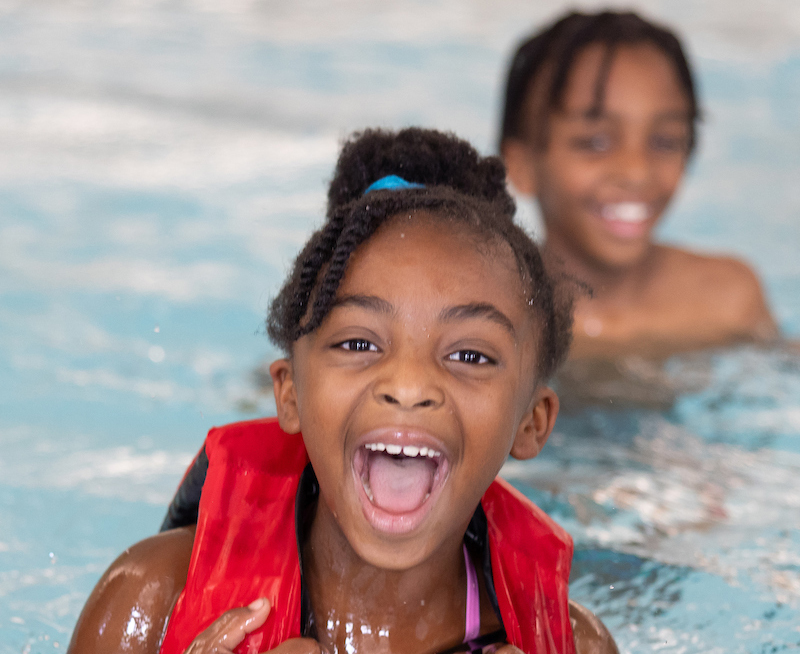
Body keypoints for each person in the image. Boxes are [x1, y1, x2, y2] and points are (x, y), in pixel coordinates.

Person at [67, 128, 617, 654]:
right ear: (290, 394)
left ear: (532, 422)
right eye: (358, 344)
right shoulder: (151, 602)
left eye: (469, 355)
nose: (408, 386)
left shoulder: (572, 644)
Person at [500, 11, 778, 361]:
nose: (637, 172)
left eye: (663, 141)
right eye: (596, 142)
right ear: (521, 165)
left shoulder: (727, 300)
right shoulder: (500, 316)